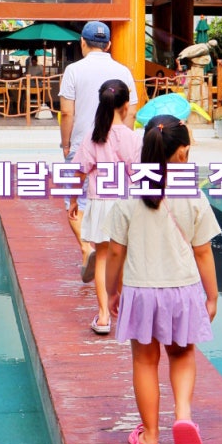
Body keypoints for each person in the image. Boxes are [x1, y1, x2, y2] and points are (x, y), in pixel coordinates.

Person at [105, 115, 220, 444]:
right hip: (182, 290)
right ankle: (183, 415)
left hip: (140, 290)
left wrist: (112, 290)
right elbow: (203, 251)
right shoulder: (192, 193)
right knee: (182, 354)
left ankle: (151, 437)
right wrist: (212, 296)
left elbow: (115, 251)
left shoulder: (129, 192)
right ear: (182, 153)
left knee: (145, 362)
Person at [59, 21, 138, 282]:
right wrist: (123, 139)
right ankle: (109, 254)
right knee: (116, 201)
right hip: (118, 149)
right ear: (109, 45)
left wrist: (66, 144)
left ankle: (87, 248)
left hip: (83, 144)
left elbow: (67, 112)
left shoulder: (73, 70)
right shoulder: (123, 71)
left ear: (82, 42)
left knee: (74, 204)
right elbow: (132, 111)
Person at [68, 79, 142, 335]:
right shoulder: (133, 138)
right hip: (126, 204)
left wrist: (74, 200)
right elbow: (138, 176)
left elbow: (80, 172)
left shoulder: (94, 136)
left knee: (102, 257)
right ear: (126, 106)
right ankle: (122, 311)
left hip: (100, 203)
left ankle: (102, 317)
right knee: (121, 258)